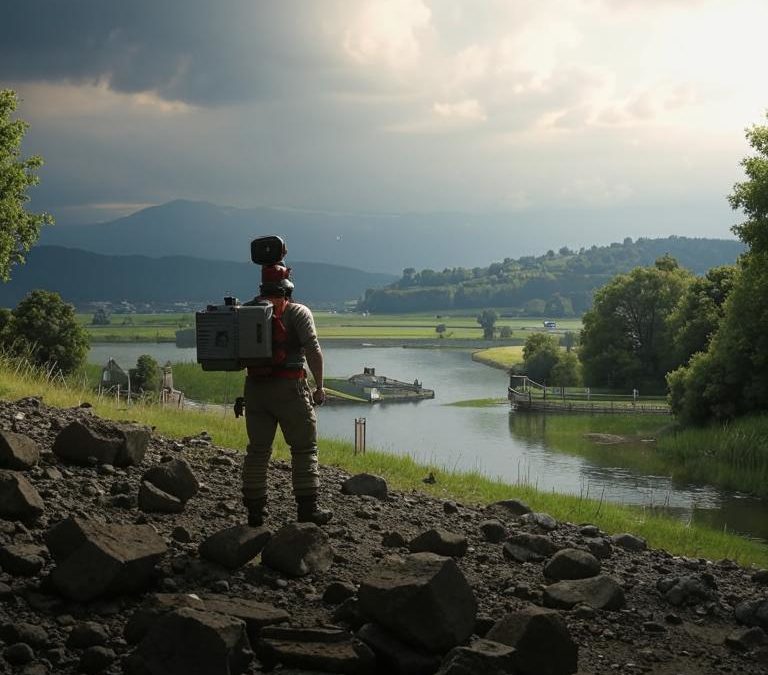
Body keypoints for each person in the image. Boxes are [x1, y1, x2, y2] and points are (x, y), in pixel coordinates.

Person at [241, 263, 332, 527]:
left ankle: (255, 514)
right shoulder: (298, 312)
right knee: (304, 449)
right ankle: (307, 511)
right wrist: (319, 387)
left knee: (258, 451)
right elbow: (313, 351)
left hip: (255, 389)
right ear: (288, 289)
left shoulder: (246, 311)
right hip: (290, 388)